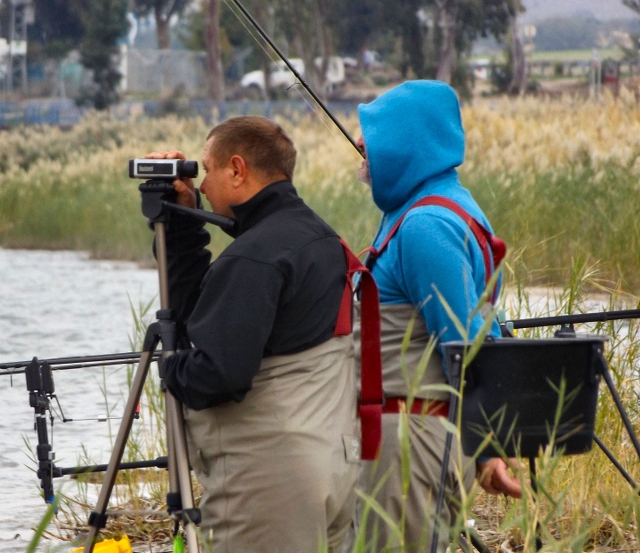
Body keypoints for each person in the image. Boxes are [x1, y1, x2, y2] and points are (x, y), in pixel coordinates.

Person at [148, 116, 359, 553]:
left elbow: (219, 374)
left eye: (207, 169)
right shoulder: (315, 235)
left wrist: (169, 367)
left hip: (271, 486)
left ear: (237, 170)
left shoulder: (254, 258)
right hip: (332, 469)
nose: (202, 185)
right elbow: (203, 318)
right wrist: (183, 223)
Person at [353, 81, 521, 553]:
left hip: (411, 444)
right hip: (409, 436)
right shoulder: (426, 209)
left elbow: (465, 344)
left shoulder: (426, 225)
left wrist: (488, 450)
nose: (361, 145)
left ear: (408, 142)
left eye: (373, 133)